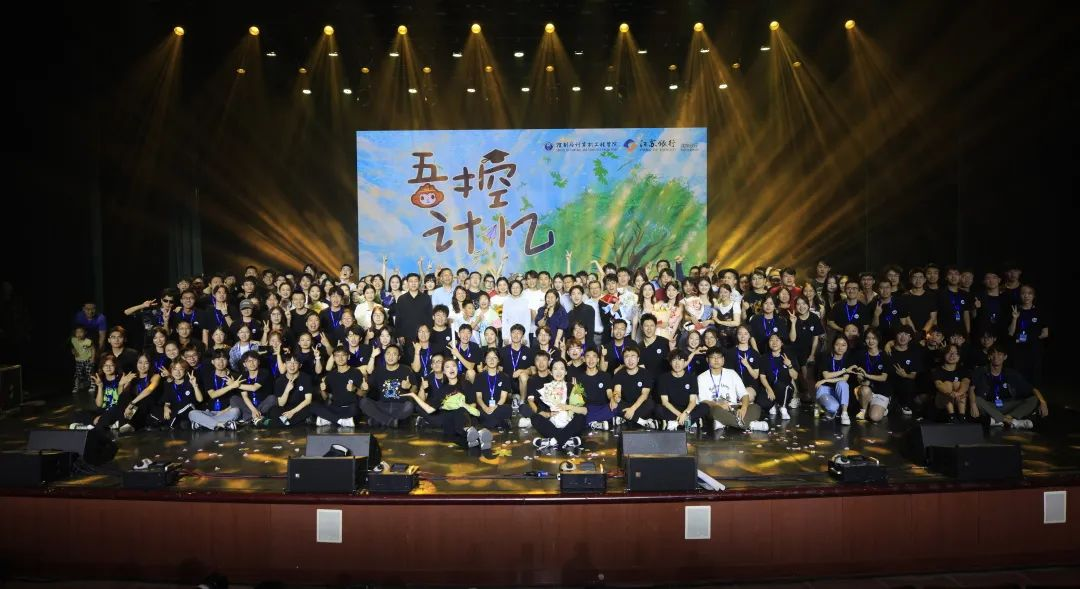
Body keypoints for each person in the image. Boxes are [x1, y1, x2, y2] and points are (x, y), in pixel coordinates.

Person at [969, 344, 1048, 429]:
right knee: (976, 399)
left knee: (1034, 399)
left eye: (999, 354)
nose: (996, 357)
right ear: (989, 357)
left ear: (1005, 357)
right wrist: (972, 403)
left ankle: (1004, 419)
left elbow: (1033, 389)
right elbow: (971, 389)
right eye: (993, 354)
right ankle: (1011, 421)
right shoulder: (981, 371)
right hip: (990, 406)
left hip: (1008, 404)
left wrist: (1043, 402)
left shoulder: (1011, 373)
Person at [697, 347, 766, 432]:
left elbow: (744, 394)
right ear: (707, 360)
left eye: (719, 357)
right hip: (716, 408)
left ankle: (726, 422)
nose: (716, 360)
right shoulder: (701, 377)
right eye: (713, 357)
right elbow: (703, 400)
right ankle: (749, 425)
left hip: (734, 407)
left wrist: (743, 408)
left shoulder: (732, 373)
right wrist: (718, 405)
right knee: (714, 412)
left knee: (756, 407)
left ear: (723, 360)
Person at [530, 359, 588, 455]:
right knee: (535, 417)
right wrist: (549, 414)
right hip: (552, 427)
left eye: (561, 369)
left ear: (566, 372)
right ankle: (567, 440)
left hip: (570, 426)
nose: (558, 372)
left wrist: (568, 407)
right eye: (555, 369)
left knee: (581, 418)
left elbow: (585, 410)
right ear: (550, 372)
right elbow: (541, 413)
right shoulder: (545, 388)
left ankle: (552, 441)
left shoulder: (574, 387)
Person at [69, 354, 135, 430]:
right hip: (103, 411)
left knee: (114, 413)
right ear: (102, 367)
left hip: (117, 410)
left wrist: (121, 385)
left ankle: (92, 426)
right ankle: (103, 424)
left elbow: (121, 400)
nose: (108, 368)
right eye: (105, 365)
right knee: (76, 414)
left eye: (111, 365)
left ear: (115, 366)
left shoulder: (123, 378)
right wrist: (100, 386)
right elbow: (99, 404)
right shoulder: (100, 380)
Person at [360, 344, 417, 427]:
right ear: (384, 355)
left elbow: (415, 389)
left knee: (409, 406)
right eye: (388, 353)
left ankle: (379, 420)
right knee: (364, 402)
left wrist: (410, 387)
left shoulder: (406, 370)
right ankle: (390, 421)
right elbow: (367, 389)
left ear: (399, 357)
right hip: (382, 406)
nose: (390, 356)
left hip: (400, 406)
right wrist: (364, 388)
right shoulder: (378, 370)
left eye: (394, 354)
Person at [654, 350, 711, 431]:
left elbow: (692, 401)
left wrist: (685, 414)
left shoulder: (691, 377)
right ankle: (690, 423)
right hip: (672, 409)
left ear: (684, 362)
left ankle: (674, 424)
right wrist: (680, 415)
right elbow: (665, 402)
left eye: (680, 360)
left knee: (705, 407)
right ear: (670, 362)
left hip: (687, 409)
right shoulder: (663, 378)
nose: (677, 363)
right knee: (657, 409)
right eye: (674, 360)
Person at [188, 350, 241, 431]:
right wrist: (231, 386)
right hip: (210, 412)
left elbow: (238, 399)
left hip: (227, 411)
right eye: (218, 359)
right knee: (192, 413)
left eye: (223, 359)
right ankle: (221, 424)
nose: (221, 362)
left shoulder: (235, 376)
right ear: (212, 362)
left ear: (227, 361)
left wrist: (224, 411)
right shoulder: (208, 376)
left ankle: (204, 423)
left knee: (236, 411)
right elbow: (212, 394)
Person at [1007, 285, 1047, 386]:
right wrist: (1014, 318)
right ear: (1020, 295)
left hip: (1034, 349)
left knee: (1034, 377)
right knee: (1018, 376)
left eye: (1029, 293)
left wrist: (1031, 339)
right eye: (1023, 293)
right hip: (1018, 350)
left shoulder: (1039, 311)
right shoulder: (1014, 310)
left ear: (1033, 296)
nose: (1026, 296)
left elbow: (1045, 333)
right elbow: (1011, 333)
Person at [313, 346, 363, 427]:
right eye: (337, 355)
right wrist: (322, 390)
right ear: (333, 358)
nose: (340, 358)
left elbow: (362, 394)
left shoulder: (356, 372)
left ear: (348, 357)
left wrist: (354, 389)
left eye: (343, 355)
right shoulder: (330, 375)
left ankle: (330, 419)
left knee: (355, 410)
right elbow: (325, 397)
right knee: (314, 406)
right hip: (335, 408)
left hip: (350, 407)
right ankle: (341, 421)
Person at [262, 352, 315, 427]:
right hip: (286, 408)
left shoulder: (306, 377)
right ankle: (298, 422)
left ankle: (271, 423)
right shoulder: (279, 381)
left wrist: (292, 412)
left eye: (295, 363)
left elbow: (308, 400)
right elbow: (281, 404)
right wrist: (287, 391)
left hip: (300, 407)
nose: (292, 365)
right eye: (289, 362)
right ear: (284, 365)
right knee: (273, 410)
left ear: (300, 365)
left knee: (312, 407)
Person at [612, 345, 657, 428]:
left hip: (641, 404)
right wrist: (616, 396)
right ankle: (641, 421)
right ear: (623, 360)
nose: (630, 360)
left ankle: (626, 420)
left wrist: (632, 409)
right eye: (626, 357)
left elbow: (644, 395)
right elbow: (617, 391)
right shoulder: (619, 374)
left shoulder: (645, 373)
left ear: (638, 359)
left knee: (651, 405)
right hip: (626, 403)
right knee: (615, 406)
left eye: (633, 356)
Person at [851, 330, 891, 423]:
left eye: (874, 338)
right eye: (868, 338)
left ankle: (881, 408)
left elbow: (883, 378)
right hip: (866, 390)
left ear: (878, 340)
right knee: (864, 389)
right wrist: (861, 380)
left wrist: (867, 376)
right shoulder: (860, 354)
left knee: (874, 418)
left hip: (881, 391)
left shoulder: (884, 356)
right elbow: (858, 376)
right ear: (864, 340)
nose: (871, 341)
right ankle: (864, 411)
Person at [759, 334, 799, 421]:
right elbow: (762, 376)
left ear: (782, 343)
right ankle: (774, 404)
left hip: (785, 387)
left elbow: (795, 376)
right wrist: (769, 389)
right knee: (762, 402)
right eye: (771, 340)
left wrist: (789, 365)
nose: (774, 343)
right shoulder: (764, 357)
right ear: (768, 343)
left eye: (777, 340)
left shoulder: (789, 356)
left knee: (782, 386)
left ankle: (783, 407)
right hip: (770, 387)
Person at [471, 349, 513, 430]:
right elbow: (479, 397)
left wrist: (494, 407)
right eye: (488, 358)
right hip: (484, 406)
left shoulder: (504, 377)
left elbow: (503, 398)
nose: (491, 360)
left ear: (498, 360)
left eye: (495, 357)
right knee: (479, 413)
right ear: (485, 360)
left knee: (508, 409)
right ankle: (501, 422)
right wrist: (485, 408)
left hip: (498, 407)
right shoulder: (479, 377)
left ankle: (490, 422)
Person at [815, 336, 853, 425]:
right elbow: (826, 375)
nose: (840, 347)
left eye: (843, 345)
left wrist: (825, 380)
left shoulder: (848, 359)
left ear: (847, 346)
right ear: (833, 345)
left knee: (843, 384)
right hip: (826, 390)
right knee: (833, 407)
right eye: (837, 344)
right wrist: (844, 371)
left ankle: (844, 413)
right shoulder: (825, 357)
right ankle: (821, 406)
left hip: (838, 391)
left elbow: (845, 379)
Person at [931, 343, 971, 423]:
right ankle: (951, 415)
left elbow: (966, 383)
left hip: (958, 400)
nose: (952, 355)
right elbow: (939, 385)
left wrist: (958, 393)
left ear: (959, 357)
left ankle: (962, 416)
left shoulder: (963, 370)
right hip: (941, 403)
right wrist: (950, 394)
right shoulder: (937, 370)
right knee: (948, 384)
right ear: (944, 354)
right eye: (949, 352)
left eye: (955, 353)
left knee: (958, 384)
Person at [233, 350, 274, 423]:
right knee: (234, 399)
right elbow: (245, 396)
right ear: (244, 364)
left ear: (259, 362)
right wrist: (253, 410)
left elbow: (254, 388)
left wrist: (235, 385)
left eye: (254, 360)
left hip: (263, 404)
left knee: (272, 398)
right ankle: (258, 418)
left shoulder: (264, 372)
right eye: (248, 361)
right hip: (250, 406)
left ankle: (249, 418)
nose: (251, 363)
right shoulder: (243, 376)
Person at [70, 325, 95, 394]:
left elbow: (93, 349)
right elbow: (73, 347)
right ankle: (76, 386)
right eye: (77, 332)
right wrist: (73, 351)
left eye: (81, 332)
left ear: (85, 332)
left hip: (87, 360)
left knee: (90, 372)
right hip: (78, 360)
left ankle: (93, 385)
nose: (79, 334)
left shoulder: (88, 341)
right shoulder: (73, 340)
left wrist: (93, 358)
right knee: (78, 374)